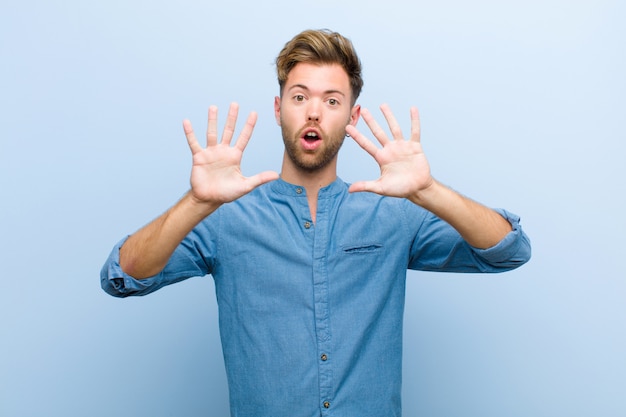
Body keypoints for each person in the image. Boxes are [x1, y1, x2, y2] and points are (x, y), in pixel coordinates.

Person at [101, 29, 531, 417]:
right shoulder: (226, 218)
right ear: (278, 108)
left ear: (351, 117)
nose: (314, 113)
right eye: (300, 96)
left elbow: (508, 250)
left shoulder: (392, 213)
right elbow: (123, 275)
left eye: (331, 101)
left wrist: (428, 191)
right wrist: (196, 202)